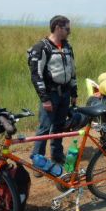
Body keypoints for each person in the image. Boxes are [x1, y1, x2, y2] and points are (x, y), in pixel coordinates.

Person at [28, 15, 77, 176]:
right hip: (51, 95)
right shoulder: (41, 47)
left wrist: (74, 93)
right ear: (58, 28)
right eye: (67, 29)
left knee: (59, 128)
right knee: (44, 129)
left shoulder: (67, 47)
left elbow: (72, 71)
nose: (69, 32)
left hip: (65, 94)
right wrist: (45, 98)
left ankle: (56, 156)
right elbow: (36, 75)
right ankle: (38, 161)